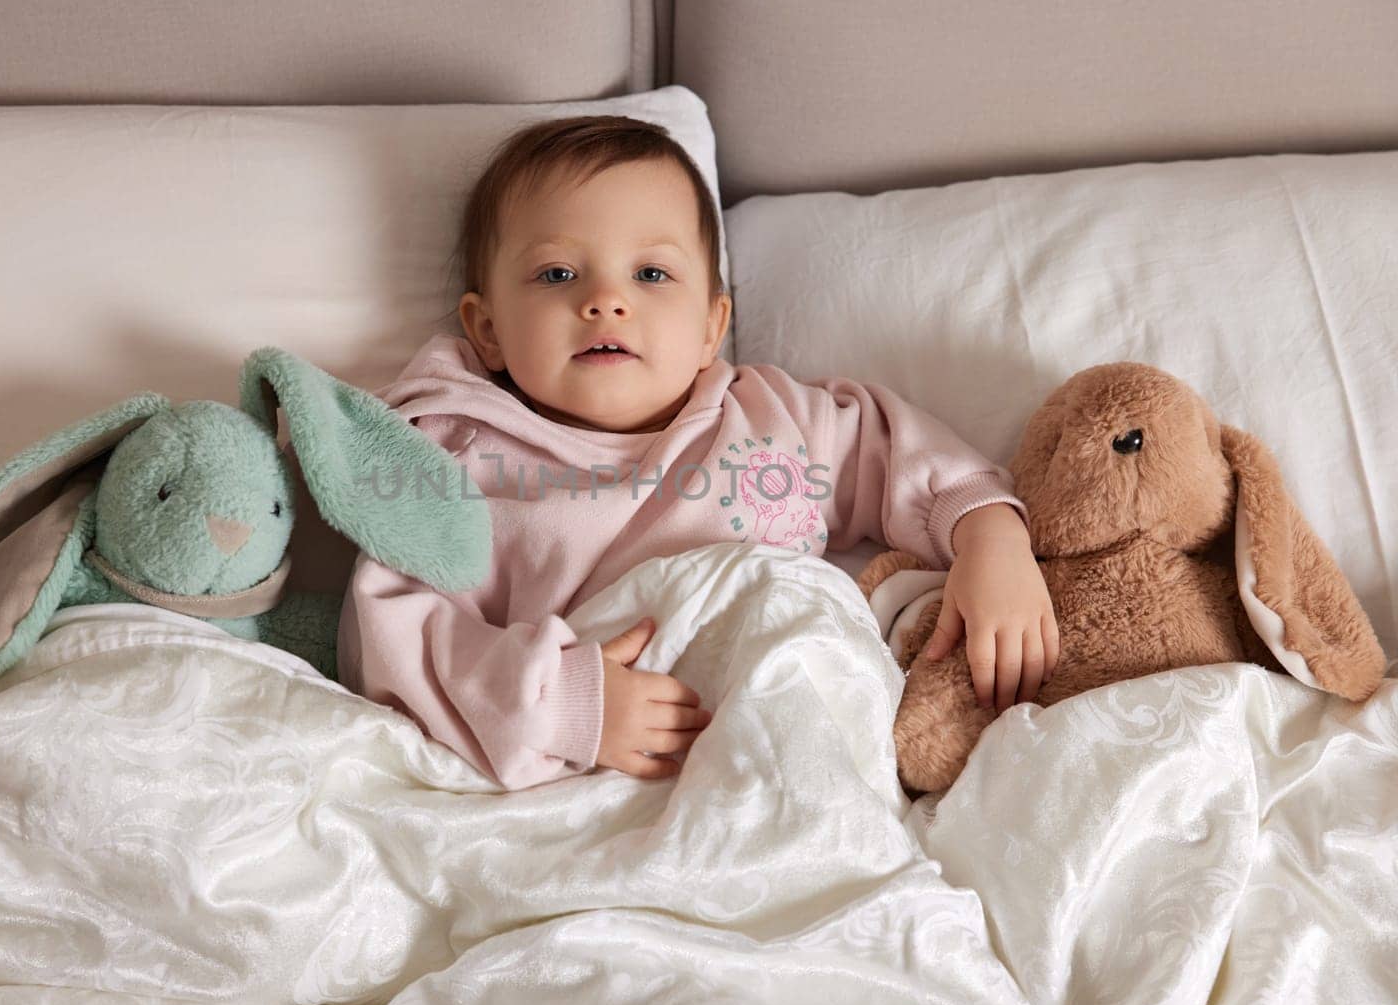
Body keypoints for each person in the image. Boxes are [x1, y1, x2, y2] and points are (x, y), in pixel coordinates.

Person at [335, 114, 1058, 790]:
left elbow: (893, 449)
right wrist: (563, 704)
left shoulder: (767, 421)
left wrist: (989, 539)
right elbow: (396, 635)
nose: (606, 301)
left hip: (787, 753)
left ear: (712, 327)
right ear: (486, 328)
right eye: (557, 274)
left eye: (651, 274)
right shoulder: (463, 456)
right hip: (590, 779)